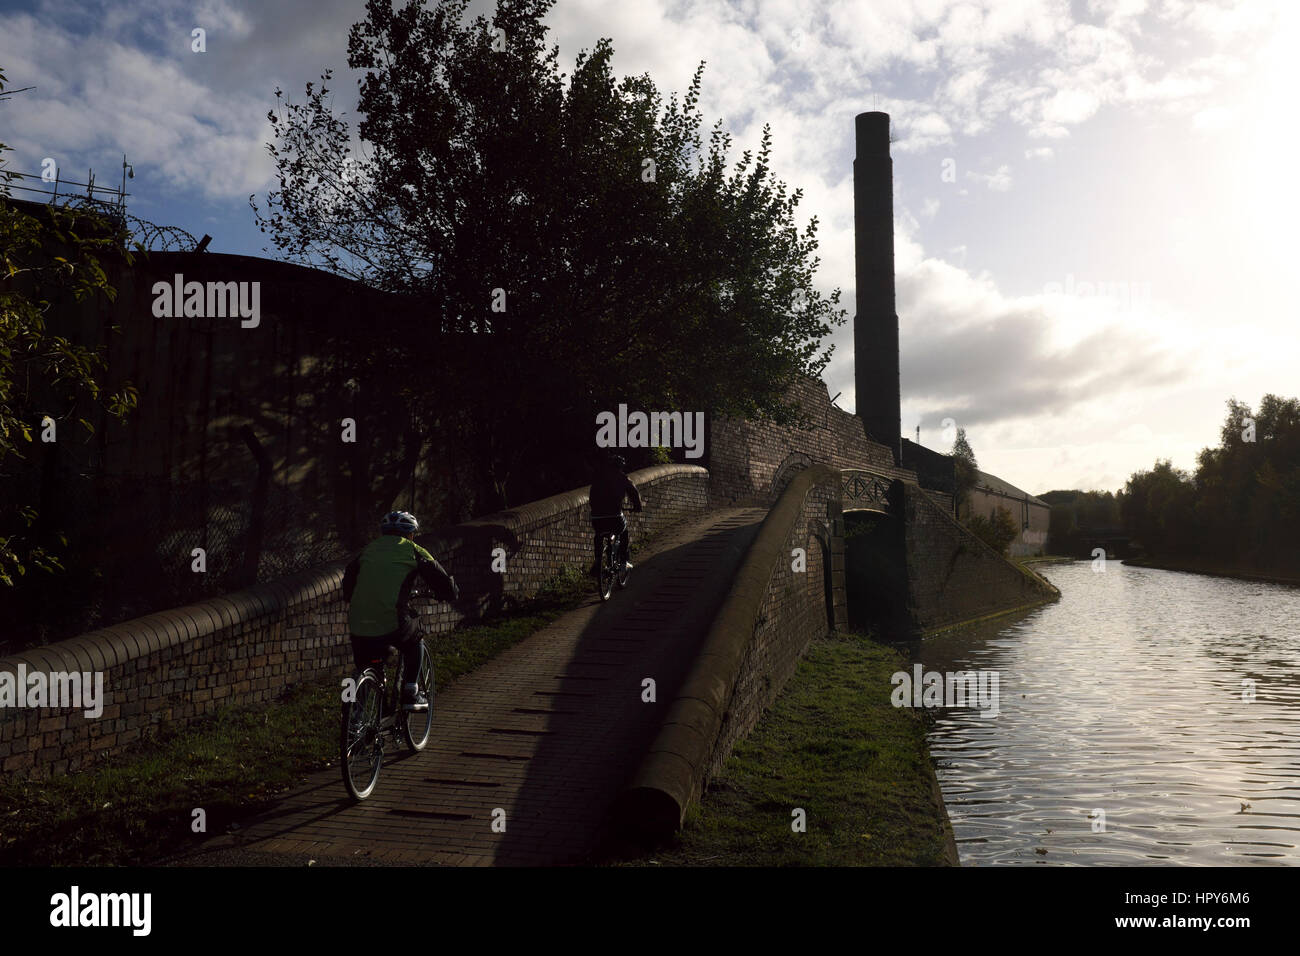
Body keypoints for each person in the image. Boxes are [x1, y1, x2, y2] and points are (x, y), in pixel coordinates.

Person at [342, 510, 458, 711]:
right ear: (411, 534)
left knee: (366, 665)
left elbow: (348, 583)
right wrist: (449, 593)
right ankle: (411, 690)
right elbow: (441, 580)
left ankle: (355, 718)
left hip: (358, 621)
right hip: (393, 620)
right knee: (416, 637)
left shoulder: (367, 551)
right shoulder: (414, 550)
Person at [589, 452, 642, 575]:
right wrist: (637, 506)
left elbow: (592, 497)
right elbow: (633, 492)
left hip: (597, 517)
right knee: (624, 531)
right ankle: (623, 562)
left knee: (599, 534)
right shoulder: (622, 478)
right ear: (621, 467)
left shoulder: (598, 478)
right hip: (615, 516)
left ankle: (598, 561)